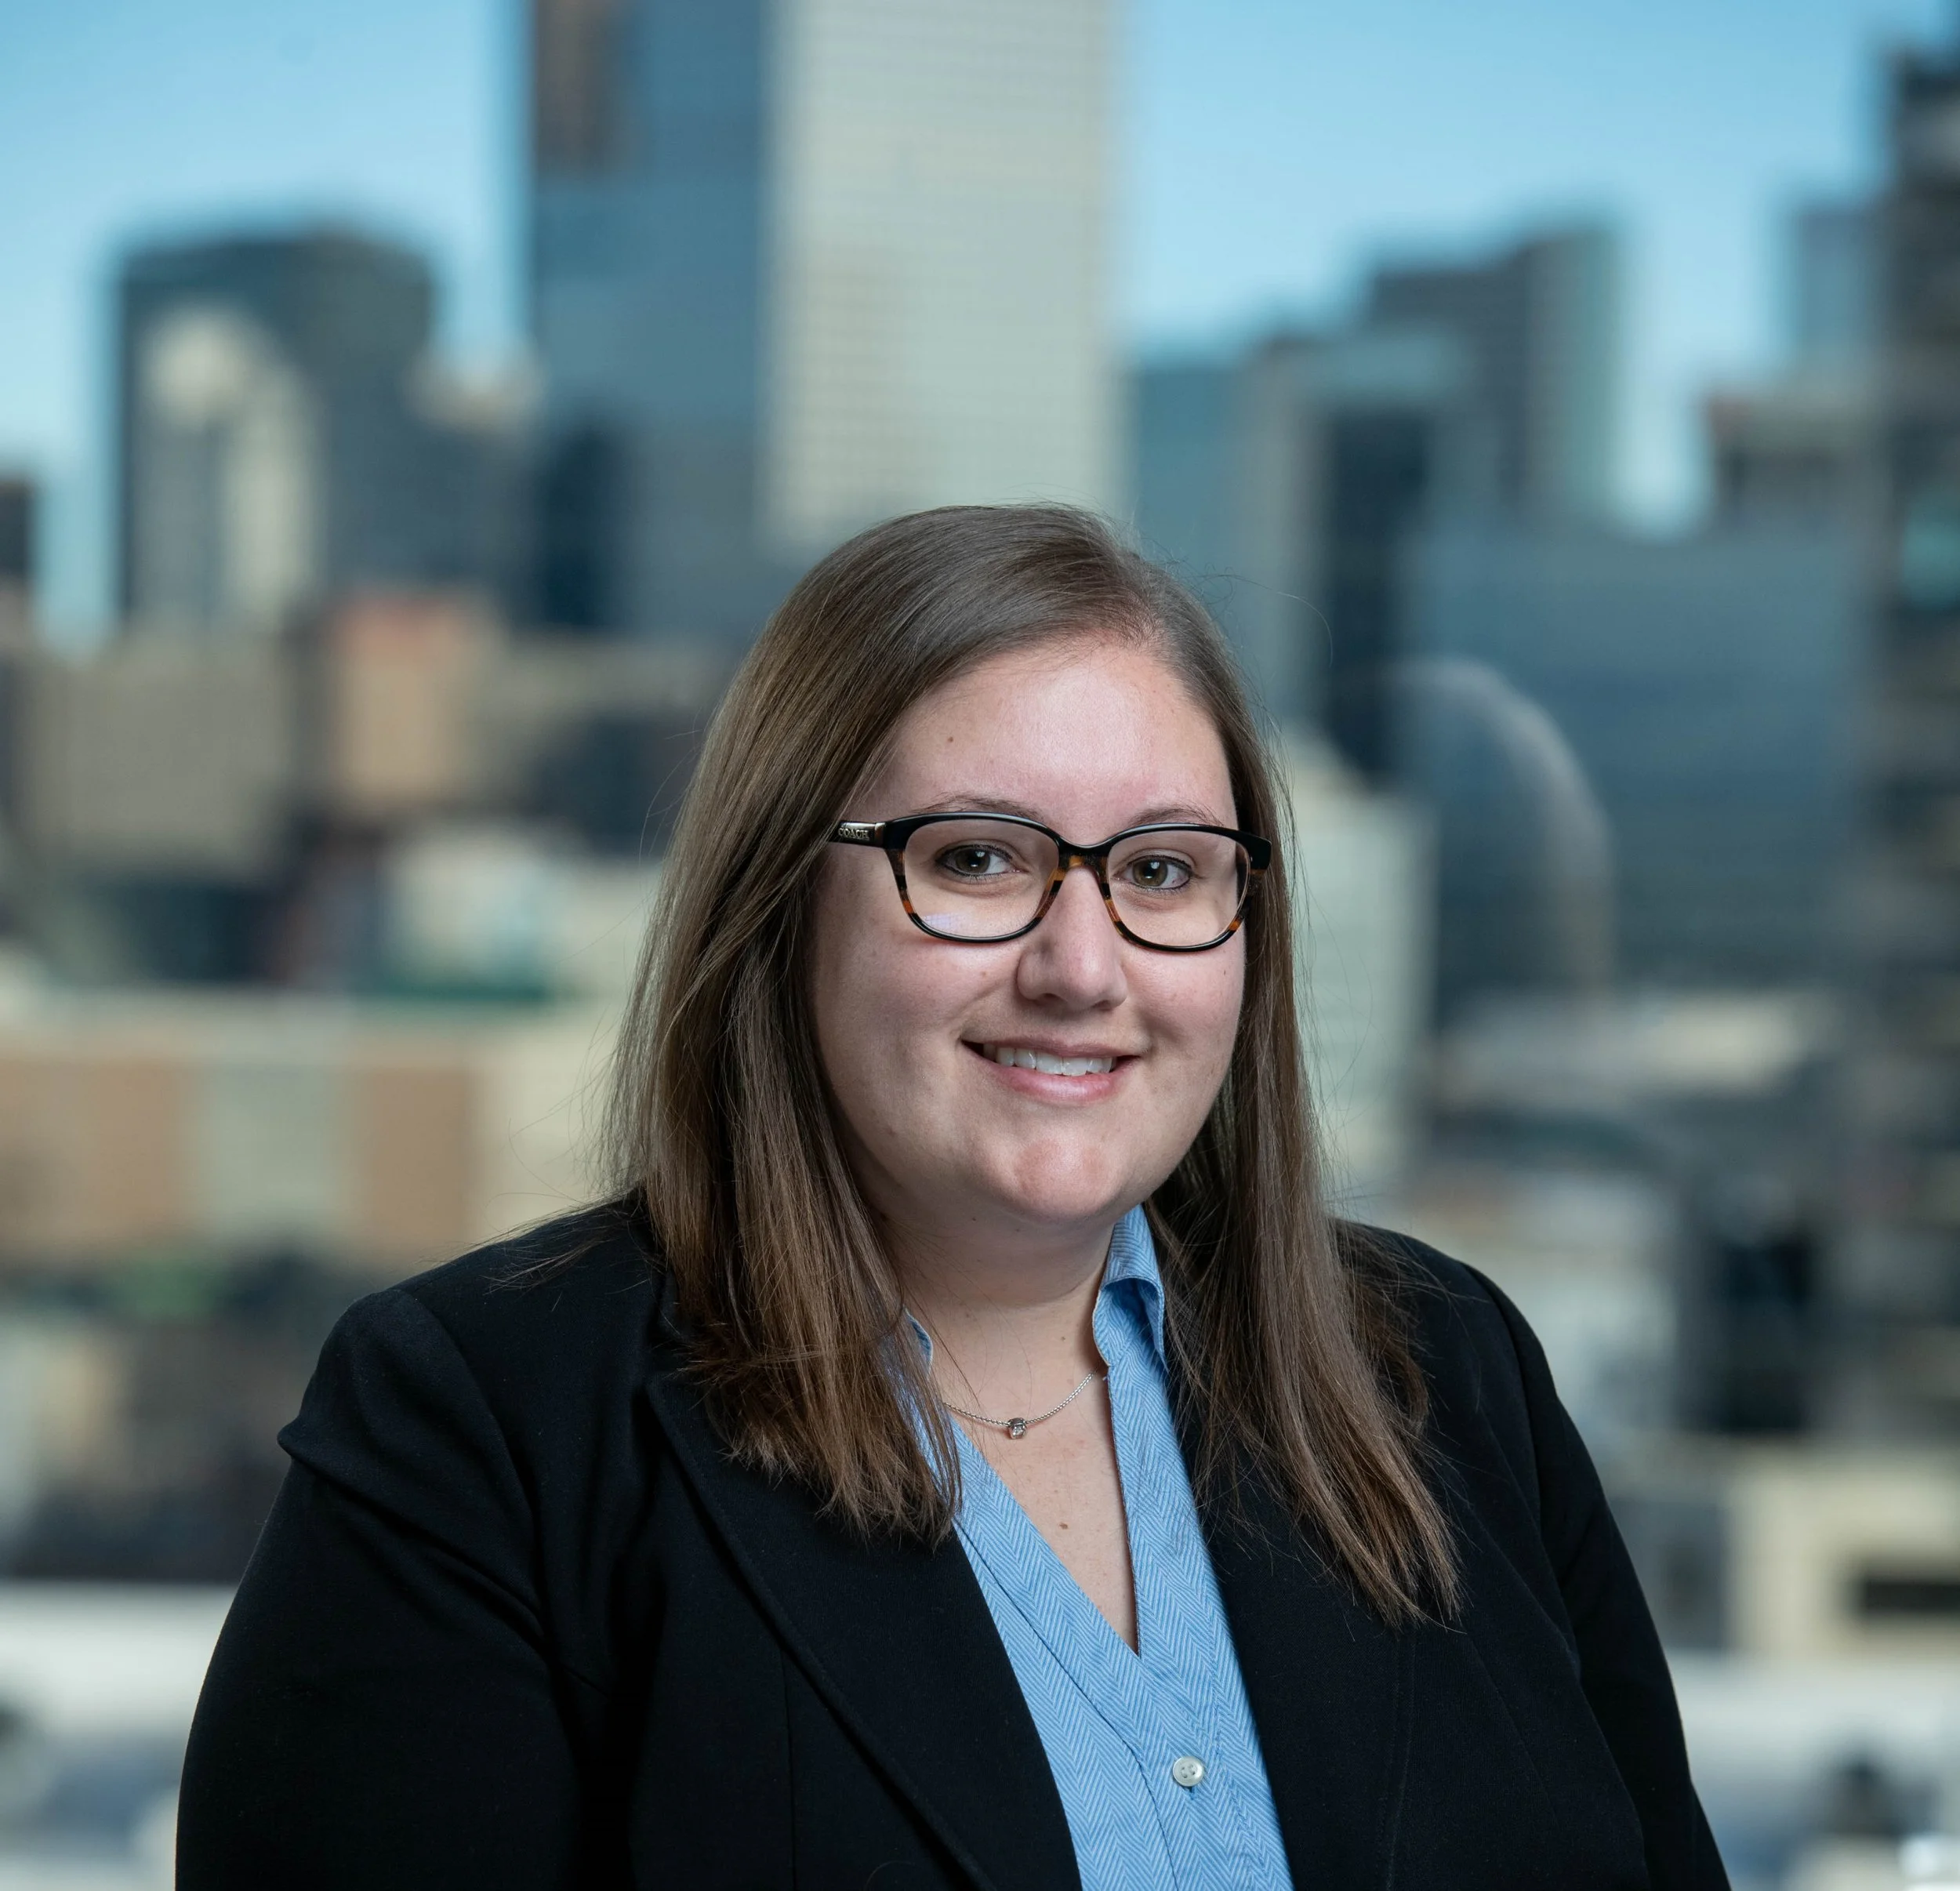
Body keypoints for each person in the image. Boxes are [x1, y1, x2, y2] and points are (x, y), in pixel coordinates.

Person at [177, 505, 1727, 1890]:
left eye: (1166, 871)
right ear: (779, 901)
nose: (1079, 966)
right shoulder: (488, 1432)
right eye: (978, 860)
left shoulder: (1446, 1373)